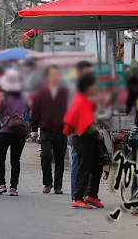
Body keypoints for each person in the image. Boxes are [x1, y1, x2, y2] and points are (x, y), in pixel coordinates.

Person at [64, 72, 105, 209]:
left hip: (88, 137)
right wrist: (96, 133)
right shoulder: (81, 100)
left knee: (96, 166)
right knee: (83, 168)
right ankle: (78, 198)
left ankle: (91, 195)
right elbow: (85, 123)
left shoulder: (86, 98)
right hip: (82, 138)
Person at [30, 65, 69, 195]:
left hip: (61, 130)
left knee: (59, 159)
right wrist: (33, 128)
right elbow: (35, 111)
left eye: (57, 75)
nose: (55, 77)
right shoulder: (41, 93)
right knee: (45, 156)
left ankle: (58, 185)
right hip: (46, 130)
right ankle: (47, 183)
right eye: (53, 75)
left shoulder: (64, 93)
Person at [0, 69, 28, 195]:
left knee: (0, 158)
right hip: (19, 131)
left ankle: (2, 184)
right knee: (15, 160)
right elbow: (27, 110)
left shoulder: (3, 96)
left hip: (4, 130)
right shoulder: (24, 97)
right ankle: (14, 187)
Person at [69, 60, 94, 200]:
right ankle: (76, 195)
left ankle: (80, 194)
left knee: (81, 163)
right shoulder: (76, 90)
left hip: (82, 131)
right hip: (78, 131)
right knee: (77, 162)